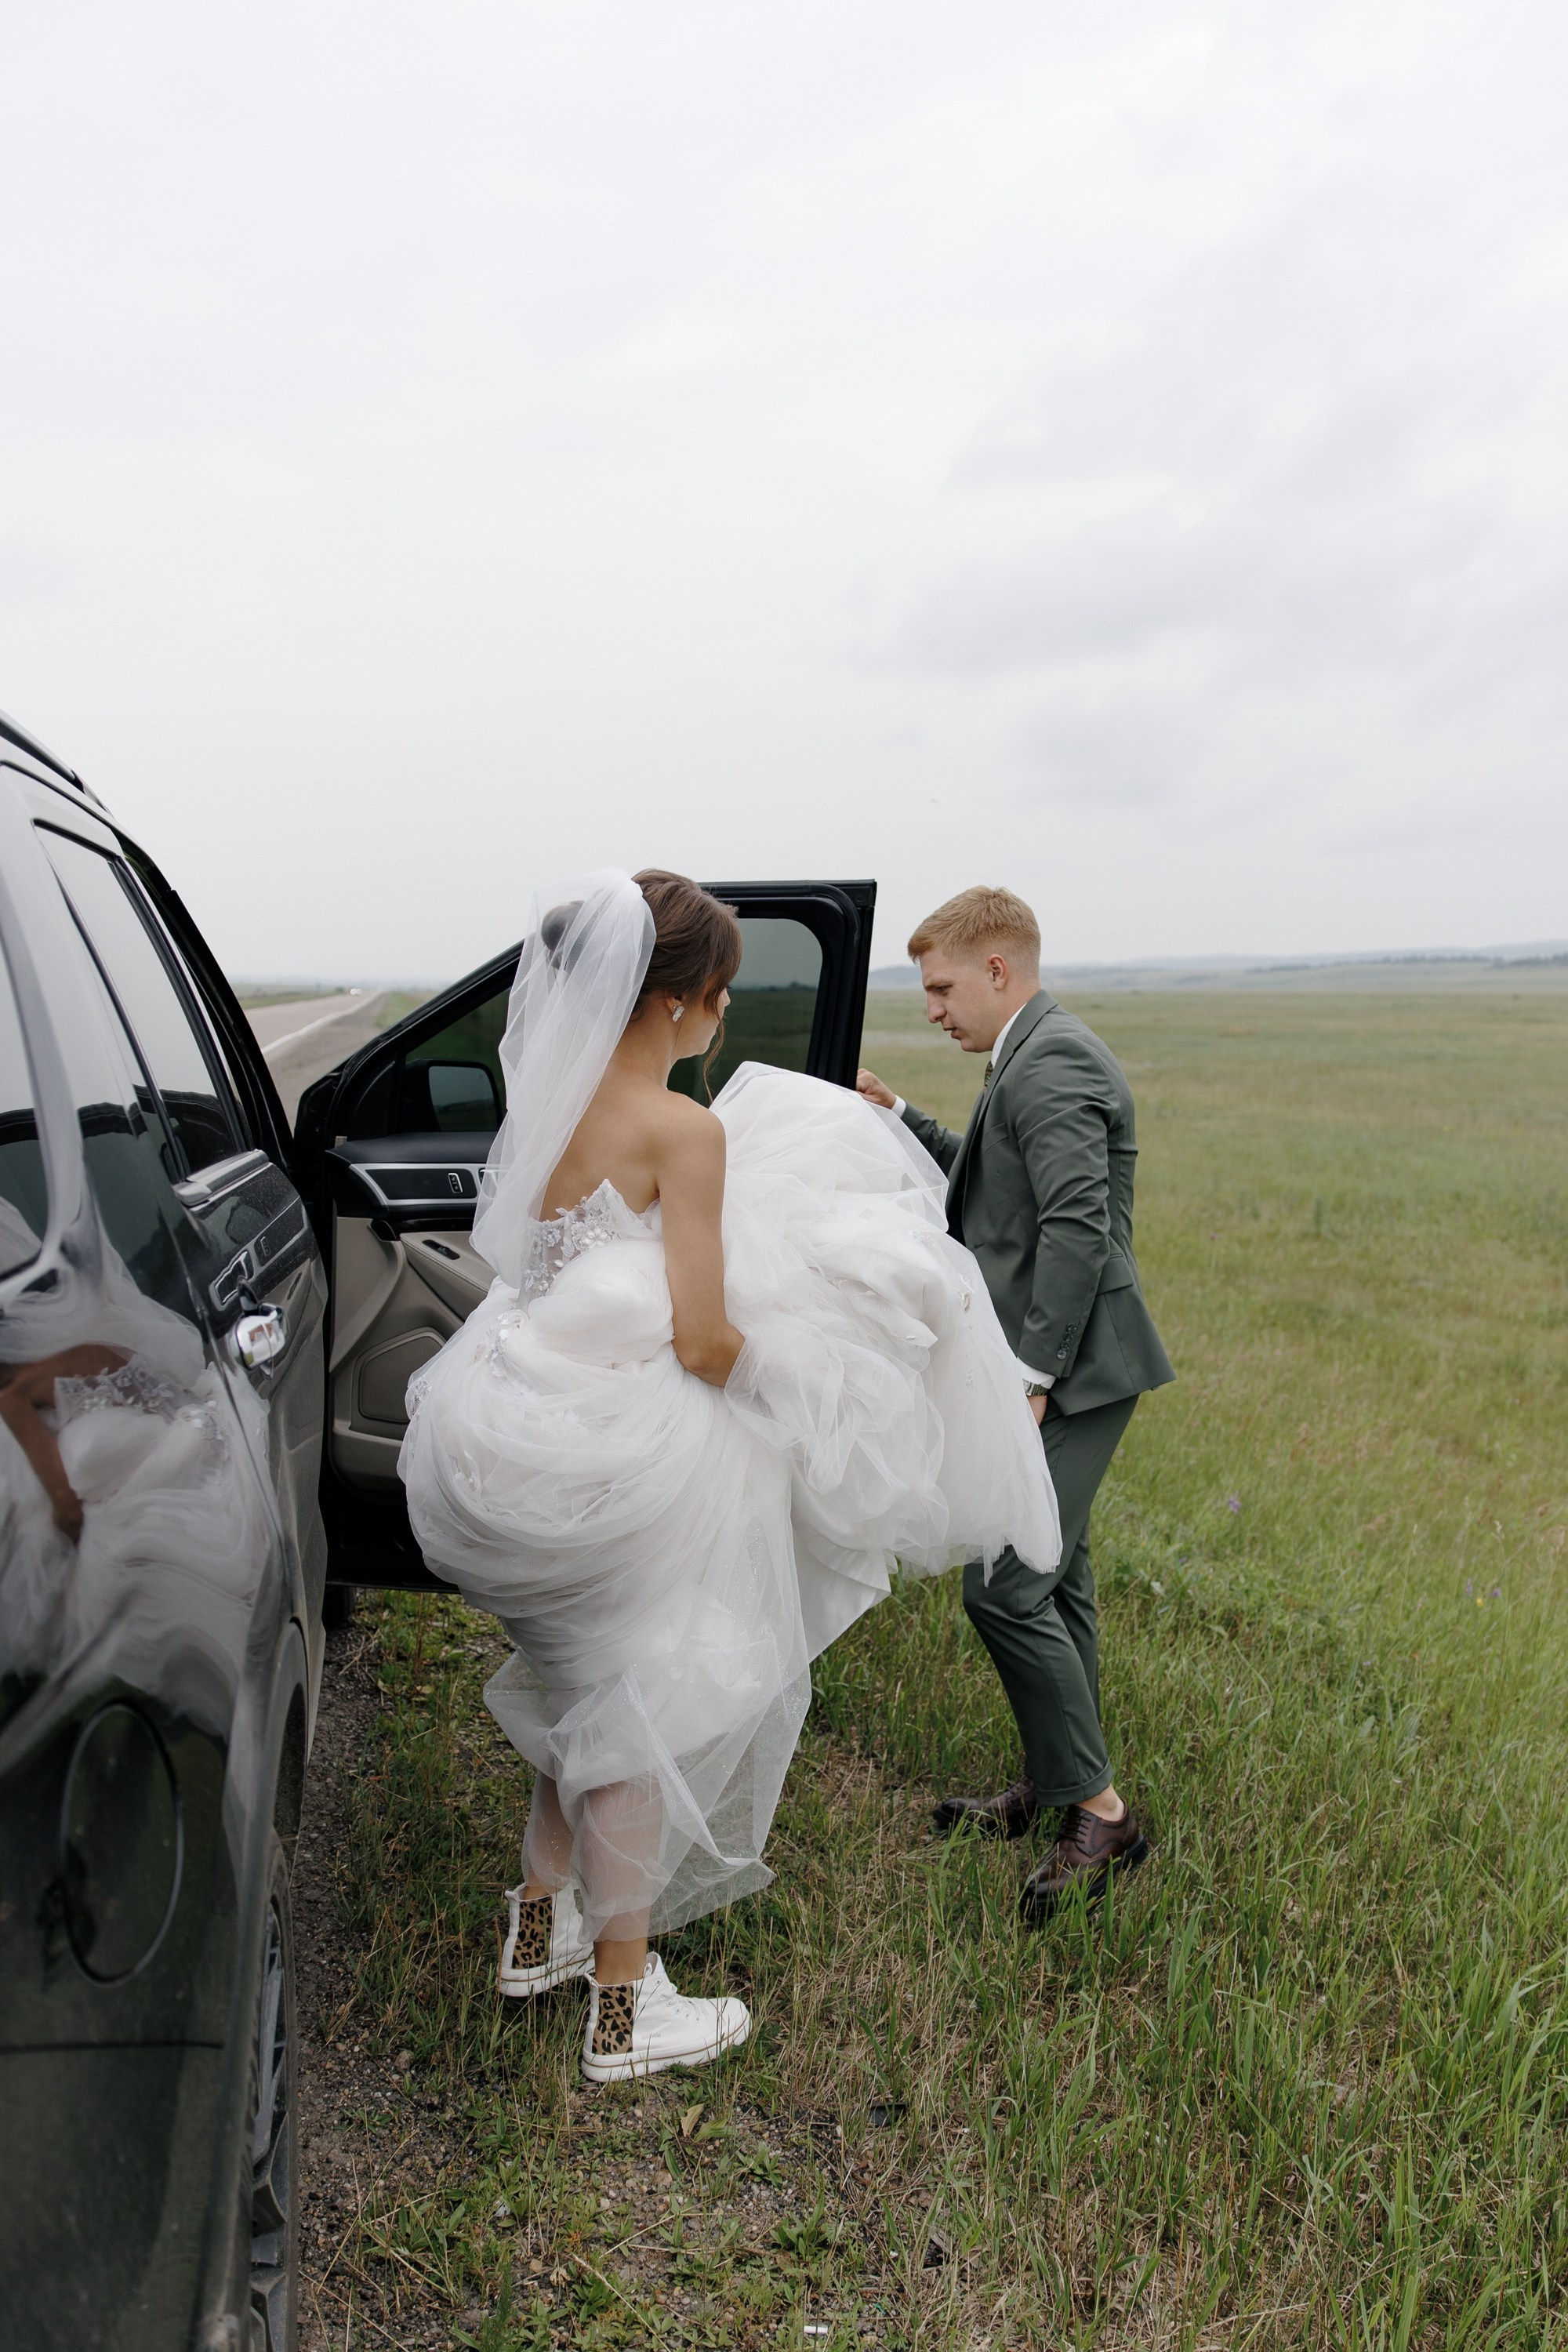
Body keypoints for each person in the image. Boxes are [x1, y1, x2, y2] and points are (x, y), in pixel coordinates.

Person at [400, 869, 1061, 2082]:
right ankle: (621, 2008)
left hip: (496, 1430)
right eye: (717, 999)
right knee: (643, 1713)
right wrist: (821, 1382)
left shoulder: (542, 1110)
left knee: (578, 1688)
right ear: (675, 1003)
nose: (718, 1022)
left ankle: (535, 1934)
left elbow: (547, 1270)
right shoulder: (680, 1129)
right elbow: (705, 1343)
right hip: (614, 1457)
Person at [858, 885, 1174, 1920]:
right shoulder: (1024, 1057)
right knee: (1058, 1579)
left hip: (1077, 1372)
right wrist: (901, 1117)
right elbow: (997, 1194)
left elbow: (1078, 1232)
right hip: (1055, 1367)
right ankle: (1056, 1783)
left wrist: (1032, 1380)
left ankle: (1105, 1817)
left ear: (1000, 969)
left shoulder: (1057, 1061)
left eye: (944, 987)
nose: (934, 1008)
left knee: (1004, 1588)